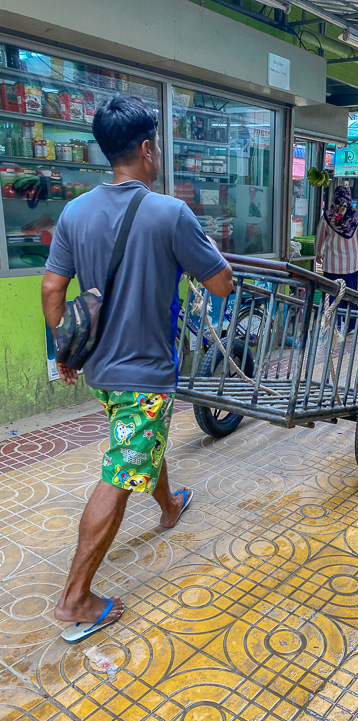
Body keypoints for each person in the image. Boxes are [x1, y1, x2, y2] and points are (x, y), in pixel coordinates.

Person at [41, 94, 233, 639]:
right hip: (145, 374)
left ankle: (169, 505)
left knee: (137, 440)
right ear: (147, 149)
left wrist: (65, 350)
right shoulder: (170, 213)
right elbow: (222, 283)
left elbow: (52, 288)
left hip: (101, 371)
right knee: (121, 470)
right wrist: (197, 250)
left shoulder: (75, 212)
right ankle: (76, 598)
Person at [316, 186, 358, 327]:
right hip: (352, 266)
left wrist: (318, 253)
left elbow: (319, 237)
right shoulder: (357, 216)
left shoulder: (327, 216)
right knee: (350, 296)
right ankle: (351, 325)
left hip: (331, 265)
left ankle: (333, 326)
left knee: (331, 297)